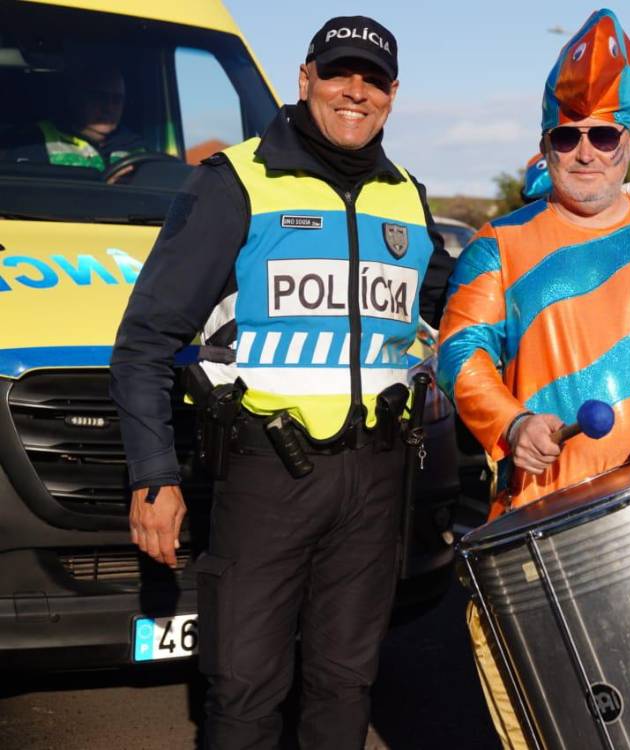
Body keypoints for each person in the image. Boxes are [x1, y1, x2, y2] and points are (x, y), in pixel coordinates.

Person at [110, 16, 451, 748]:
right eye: (339, 73)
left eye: (373, 79)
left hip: (376, 480)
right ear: (306, 80)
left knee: (345, 684)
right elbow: (144, 343)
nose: (355, 92)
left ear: (393, 95)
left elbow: (460, 322)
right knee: (243, 689)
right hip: (268, 477)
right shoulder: (238, 183)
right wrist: (153, 477)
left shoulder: (407, 199)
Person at [437, 10, 630, 747]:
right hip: (545, 512)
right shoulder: (497, 245)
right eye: (566, 135)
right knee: (570, 717)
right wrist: (511, 423)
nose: (585, 153)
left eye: (603, 134)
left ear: (629, 142)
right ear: (545, 144)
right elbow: (461, 350)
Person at [1, 59, 144, 171]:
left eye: (117, 100)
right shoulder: (35, 140)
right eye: (99, 97)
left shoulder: (135, 147)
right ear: (75, 98)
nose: (109, 107)